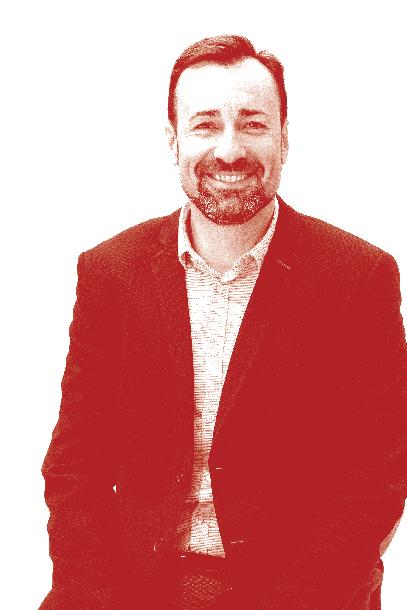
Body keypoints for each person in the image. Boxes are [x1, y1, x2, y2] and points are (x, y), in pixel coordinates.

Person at [40, 35, 406, 610]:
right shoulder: (110, 273)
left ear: (285, 137)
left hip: (299, 594)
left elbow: (377, 474)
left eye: (253, 124)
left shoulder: (358, 279)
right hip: (130, 589)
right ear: (174, 141)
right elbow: (75, 466)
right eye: (206, 125)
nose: (230, 150)